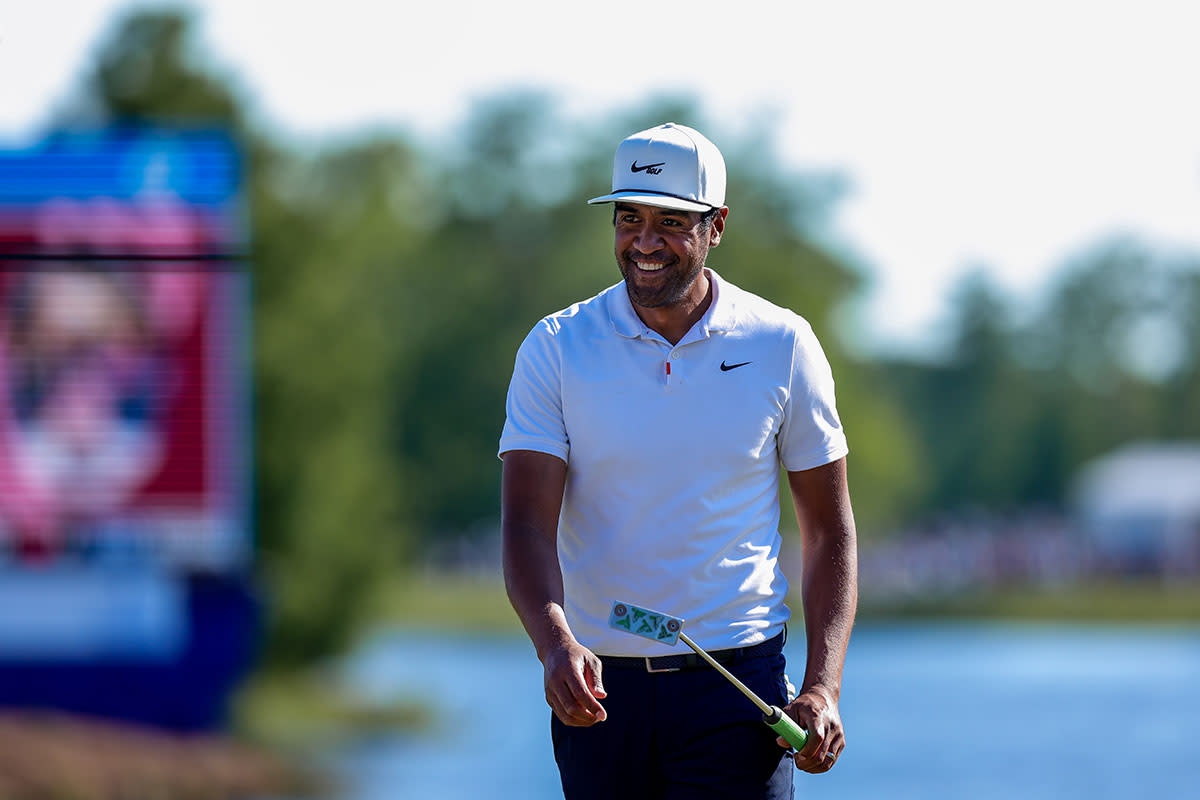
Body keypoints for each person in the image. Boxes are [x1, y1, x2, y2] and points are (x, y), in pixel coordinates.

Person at [499, 122, 858, 799]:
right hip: (599, 692)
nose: (643, 241)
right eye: (628, 218)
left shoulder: (783, 344)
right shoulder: (556, 346)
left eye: (671, 222)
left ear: (716, 226)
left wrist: (823, 687)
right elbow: (524, 526)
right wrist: (554, 647)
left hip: (738, 692)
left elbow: (829, 532)